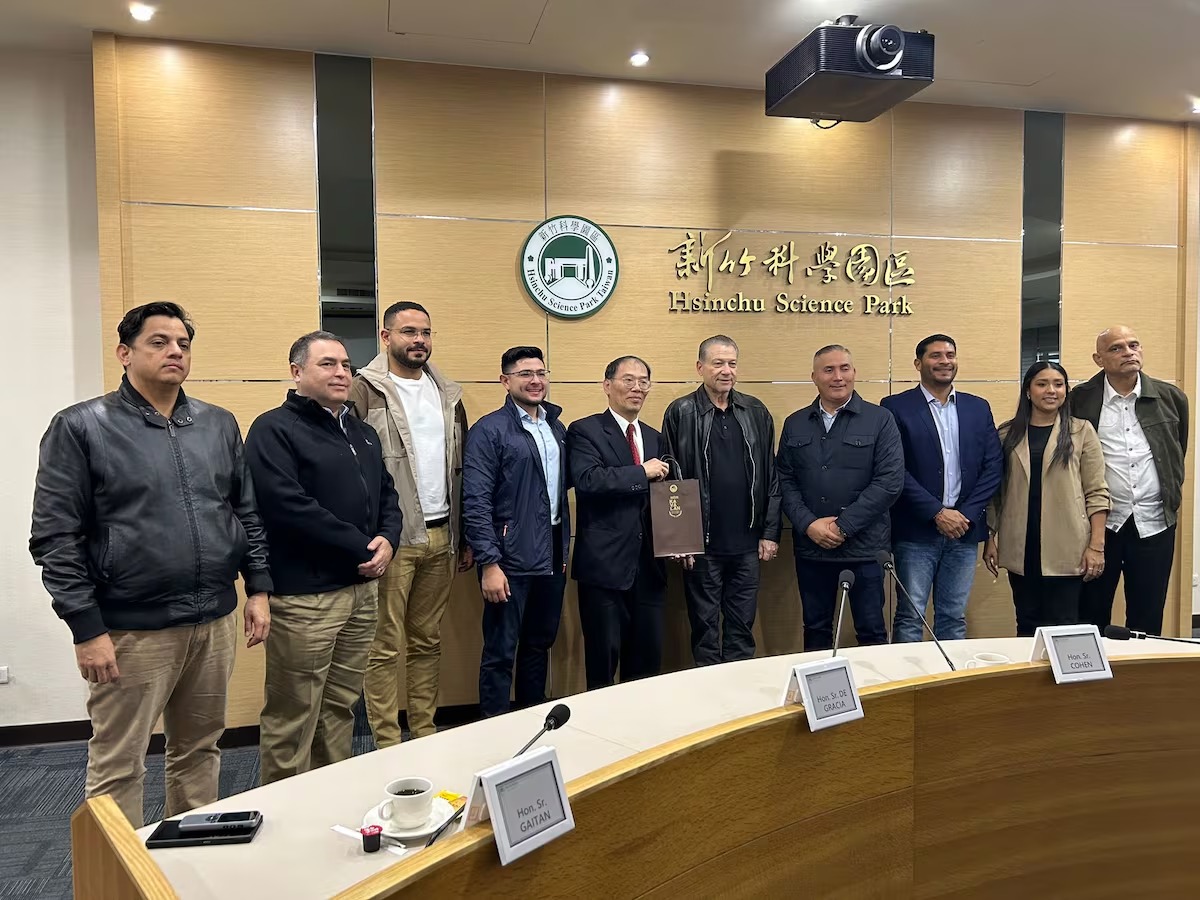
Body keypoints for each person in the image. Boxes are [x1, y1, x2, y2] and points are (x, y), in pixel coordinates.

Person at [29, 302, 272, 827]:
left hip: (213, 619)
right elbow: (54, 538)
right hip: (130, 630)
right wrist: (86, 628)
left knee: (200, 748)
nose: (175, 351)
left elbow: (245, 512)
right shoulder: (81, 426)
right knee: (120, 762)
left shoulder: (217, 423)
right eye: (159, 342)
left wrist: (257, 588)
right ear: (125, 353)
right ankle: (118, 868)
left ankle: (188, 855)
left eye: (183, 343)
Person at [245, 331, 402, 784]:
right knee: (294, 714)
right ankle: (286, 806)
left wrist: (388, 539)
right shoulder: (273, 429)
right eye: (327, 364)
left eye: (346, 365)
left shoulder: (362, 432)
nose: (341, 373)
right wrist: (362, 545)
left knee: (340, 706)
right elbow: (286, 505)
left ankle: (330, 794)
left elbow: (387, 495)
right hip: (306, 598)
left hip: (360, 593)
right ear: (296, 372)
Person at [350, 301, 470, 747]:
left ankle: (424, 733)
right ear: (386, 337)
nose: (419, 340)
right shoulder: (364, 390)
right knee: (383, 646)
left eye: (425, 332)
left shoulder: (448, 393)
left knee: (427, 640)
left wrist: (464, 534)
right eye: (408, 331)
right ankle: (386, 743)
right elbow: (350, 467)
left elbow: (461, 468)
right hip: (392, 538)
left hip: (442, 535)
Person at [662, 335, 781, 665]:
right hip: (702, 545)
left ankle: (740, 692)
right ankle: (709, 692)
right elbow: (670, 478)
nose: (726, 370)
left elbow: (771, 475)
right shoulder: (681, 412)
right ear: (700, 367)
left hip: (747, 544)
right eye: (717, 363)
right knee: (704, 630)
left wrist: (770, 532)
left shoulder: (756, 411)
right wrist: (680, 539)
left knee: (742, 629)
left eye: (731, 363)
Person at [464, 347, 569, 717]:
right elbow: (475, 500)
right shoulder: (489, 430)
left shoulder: (556, 428)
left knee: (539, 644)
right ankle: (493, 728)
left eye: (541, 373)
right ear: (505, 381)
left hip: (553, 553)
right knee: (500, 652)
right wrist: (489, 563)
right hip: (509, 559)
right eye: (525, 374)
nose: (536, 380)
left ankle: (531, 719)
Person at [776, 344, 903, 651]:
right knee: (815, 629)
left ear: (854, 373)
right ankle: (819, 685)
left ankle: (873, 685)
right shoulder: (795, 422)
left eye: (844, 368)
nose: (838, 377)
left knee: (872, 631)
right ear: (814, 377)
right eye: (828, 370)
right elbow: (784, 480)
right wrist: (809, 524)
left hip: (865, 550)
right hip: (812, 549)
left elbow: (889, 482)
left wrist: (842, 526)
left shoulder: (880, 419)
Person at [881, 334, 1003, 642]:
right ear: (918, 363)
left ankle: (949, 674)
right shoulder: (895, 407)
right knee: (911, 615)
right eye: (935, 356)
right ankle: (907, 673)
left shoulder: (978, 408)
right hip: (916, 531)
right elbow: (895, 469)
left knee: (953, 616)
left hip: (964, 531)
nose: (945, 361)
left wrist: (966, 514)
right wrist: (937, 512)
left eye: (950, 355)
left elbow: (993, 467)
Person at [1070, 326, 1189, 635]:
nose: (1128, 352)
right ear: (1098, 359)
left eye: (1134, 345)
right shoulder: (1080, 399)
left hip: (1155, 523)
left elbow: (1177, 451)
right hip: (1100, 526)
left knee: (1147, 615)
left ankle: (1142, 667)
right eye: (1117, 348)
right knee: (1090, 613)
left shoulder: (1171, 397)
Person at [984, 362, 1109, 636]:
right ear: (1028, 391)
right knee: (1026, 623)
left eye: (1058, 384)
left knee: (1064, 625)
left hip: (1068, 544)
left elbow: (1097, 491)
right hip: (1021, 544)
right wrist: (990, 537)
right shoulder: (1007, 434)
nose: (1051, 390)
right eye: (1042, 384)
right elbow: (996, 493)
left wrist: (1096, 546)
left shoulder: (1081, 431)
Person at [567, 356, 668, 688]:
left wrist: (680, 541)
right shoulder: (585, 430)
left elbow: (664, 499)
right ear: (607, 386)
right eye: (628, 380)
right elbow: (589, 480)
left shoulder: (654, 437)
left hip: (649, 568)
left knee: (646, 666)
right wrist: (641, 472)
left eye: (643, 381)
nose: (637, 388)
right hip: (604, 568)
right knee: (602, 663)